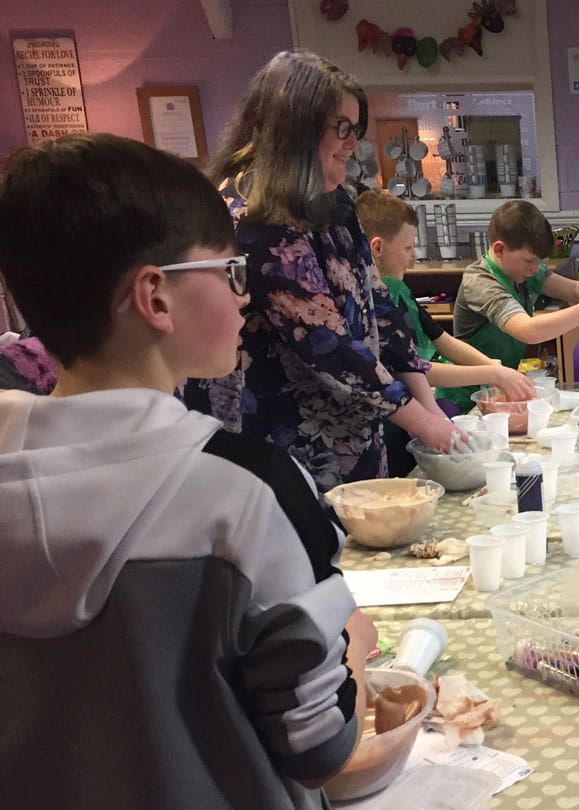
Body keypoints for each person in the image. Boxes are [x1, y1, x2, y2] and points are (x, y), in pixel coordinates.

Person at [0, 133, 372, 810]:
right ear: (155, 297)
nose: (242, 300)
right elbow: (321, 748)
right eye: (229, 273)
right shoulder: (248, 491)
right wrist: (354, 655)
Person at [182, 50, 460, 492]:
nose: (354, 144)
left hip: (351, 436)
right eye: (342, 129)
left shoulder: (334, 201)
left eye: (356, 129)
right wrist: (423, 423)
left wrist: (429, 406)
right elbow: (325, 341)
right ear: (295, 127)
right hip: (285, 444)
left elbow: (380, 308)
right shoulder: (252, 214)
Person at [356, 190, 534, 474]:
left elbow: (444, 341)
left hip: (416, 418)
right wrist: (492, 374)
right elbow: (416, 369)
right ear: (376, 248)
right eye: (408, 248)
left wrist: (493, 366)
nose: (414, 257)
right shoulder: (368, 306)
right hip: (389, 427)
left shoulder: (399, 294)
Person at [452, 200, 579, 394]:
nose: (535, 269)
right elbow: (528, 331)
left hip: (498, 385)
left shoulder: (522, 271)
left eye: (538, 262)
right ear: (499, 249)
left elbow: (574, 290)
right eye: (529, 261)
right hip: (466, 394)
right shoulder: (480, 283)